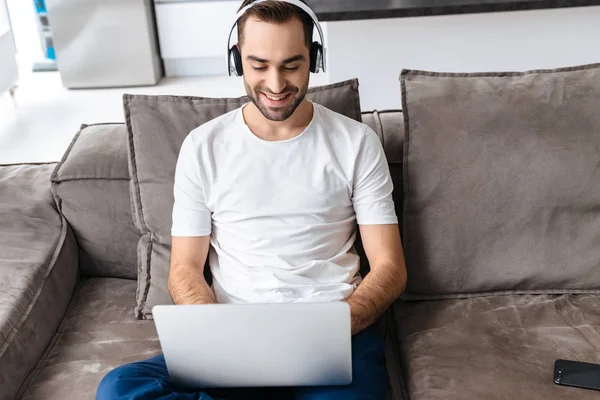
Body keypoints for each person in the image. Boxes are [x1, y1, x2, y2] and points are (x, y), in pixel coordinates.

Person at [96, 0, 407, 399]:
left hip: (331, 333)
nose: (276, 85)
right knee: (119, 388)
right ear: (236, 59)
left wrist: (340, 322)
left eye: (291, 65)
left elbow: (390, 267)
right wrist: (217, 332)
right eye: (259, 66)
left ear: (313, 59)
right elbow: (185, 268)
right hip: (235, 335)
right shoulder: (203, 146)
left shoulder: (356, 143)